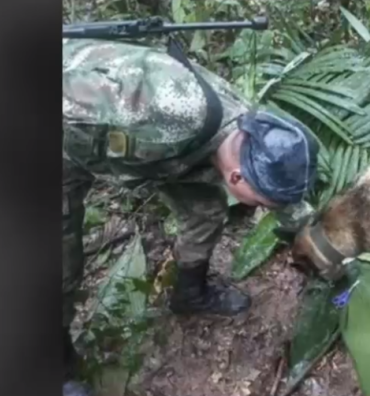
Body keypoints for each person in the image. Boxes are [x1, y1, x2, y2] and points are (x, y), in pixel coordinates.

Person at [62, 37, 318, 396]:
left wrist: (321, 239)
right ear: (237, 178)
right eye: (261, 203)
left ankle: (189, 293)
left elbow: (287, 200)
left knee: (206, 211)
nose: (263, 209)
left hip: (162, 157)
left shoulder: (255, 136)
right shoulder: (163, 109)